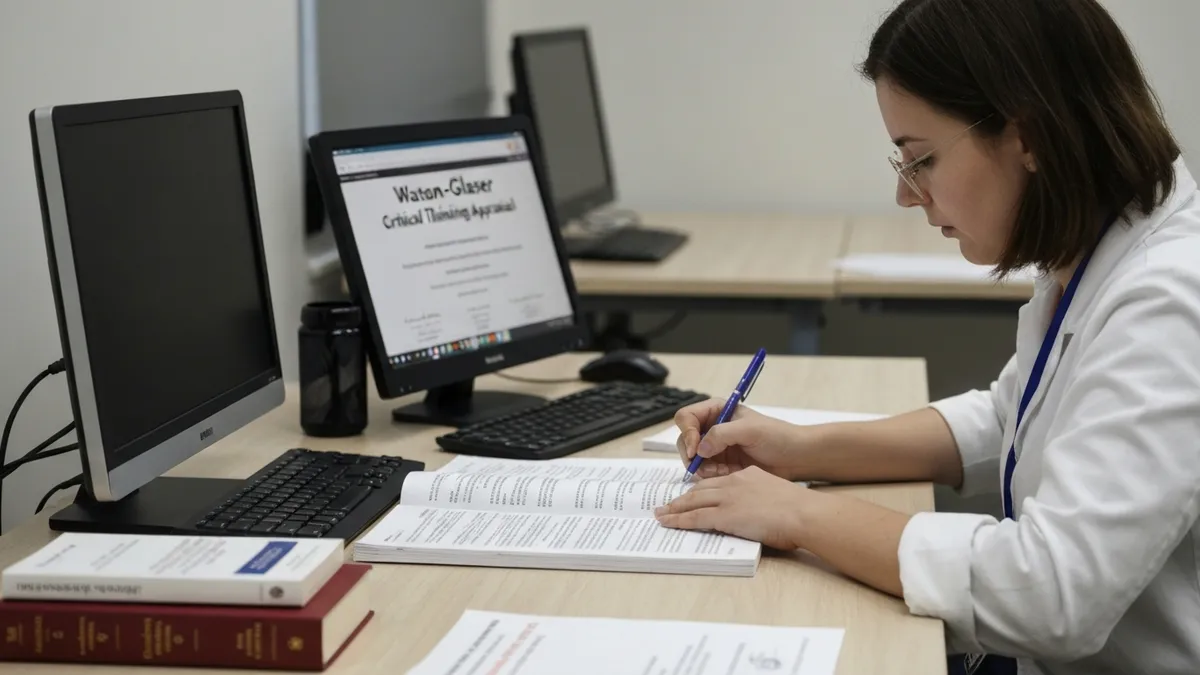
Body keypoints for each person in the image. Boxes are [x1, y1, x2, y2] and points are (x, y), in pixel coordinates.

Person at [653, 0, 1200, 673]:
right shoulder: (1093, 247)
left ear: (1026, 137)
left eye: (922, 160)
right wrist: (798, 448)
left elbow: (1056, 591)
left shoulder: (1170, 302)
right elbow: (1010, 418)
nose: (908, 196)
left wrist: (797, 514)